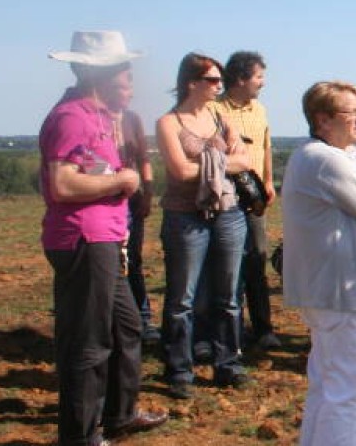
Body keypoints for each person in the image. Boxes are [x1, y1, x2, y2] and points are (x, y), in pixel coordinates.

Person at [39, 31, 169, 445]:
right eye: (119, 70)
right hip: (83, 238)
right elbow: (60, 184)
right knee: (89, 342)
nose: (127, 78)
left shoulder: (100, 117)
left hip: (104, 239)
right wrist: (123, 180)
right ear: (97, 72)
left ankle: (118, 413)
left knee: (126, 327)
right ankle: (79, 436)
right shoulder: (71, 117)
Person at [282, 81, 356, 445]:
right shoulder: (329, 160)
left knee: (327, 385)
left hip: (324, 289)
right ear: (322, 119)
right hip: (347, 289)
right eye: (352, 113)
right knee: (350, 393)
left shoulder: (308, 154)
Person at [156, 52, 254, 398]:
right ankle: (180, 368)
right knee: (182, 298)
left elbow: (246, 160)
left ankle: (228, 363)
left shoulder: (220, 116)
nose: (219, 86)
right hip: (185, 215)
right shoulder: (168, 123)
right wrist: (220, 163)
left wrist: (212, 163)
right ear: (191, 82)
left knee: (228, 295)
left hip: (228, 212)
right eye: (212, 80)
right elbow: (179, 171)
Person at [207, 51, 280, 349]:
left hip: (255, 197)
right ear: (240, 79)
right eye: (258, 77)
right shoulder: (213, 109)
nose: (262, 83)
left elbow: (266, 146)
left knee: (257, 260)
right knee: (227, 267)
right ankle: (228, 332)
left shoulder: (259, 110)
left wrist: (268, 180)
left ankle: (263, 329)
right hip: (226, 197)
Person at [114, 108, 161, 343]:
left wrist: (148, 194)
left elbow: (144, 158)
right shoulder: (92, 118)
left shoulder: (132, 118)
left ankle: (142, 318)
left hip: (132, 200)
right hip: (105, 200)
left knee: (133, 259)